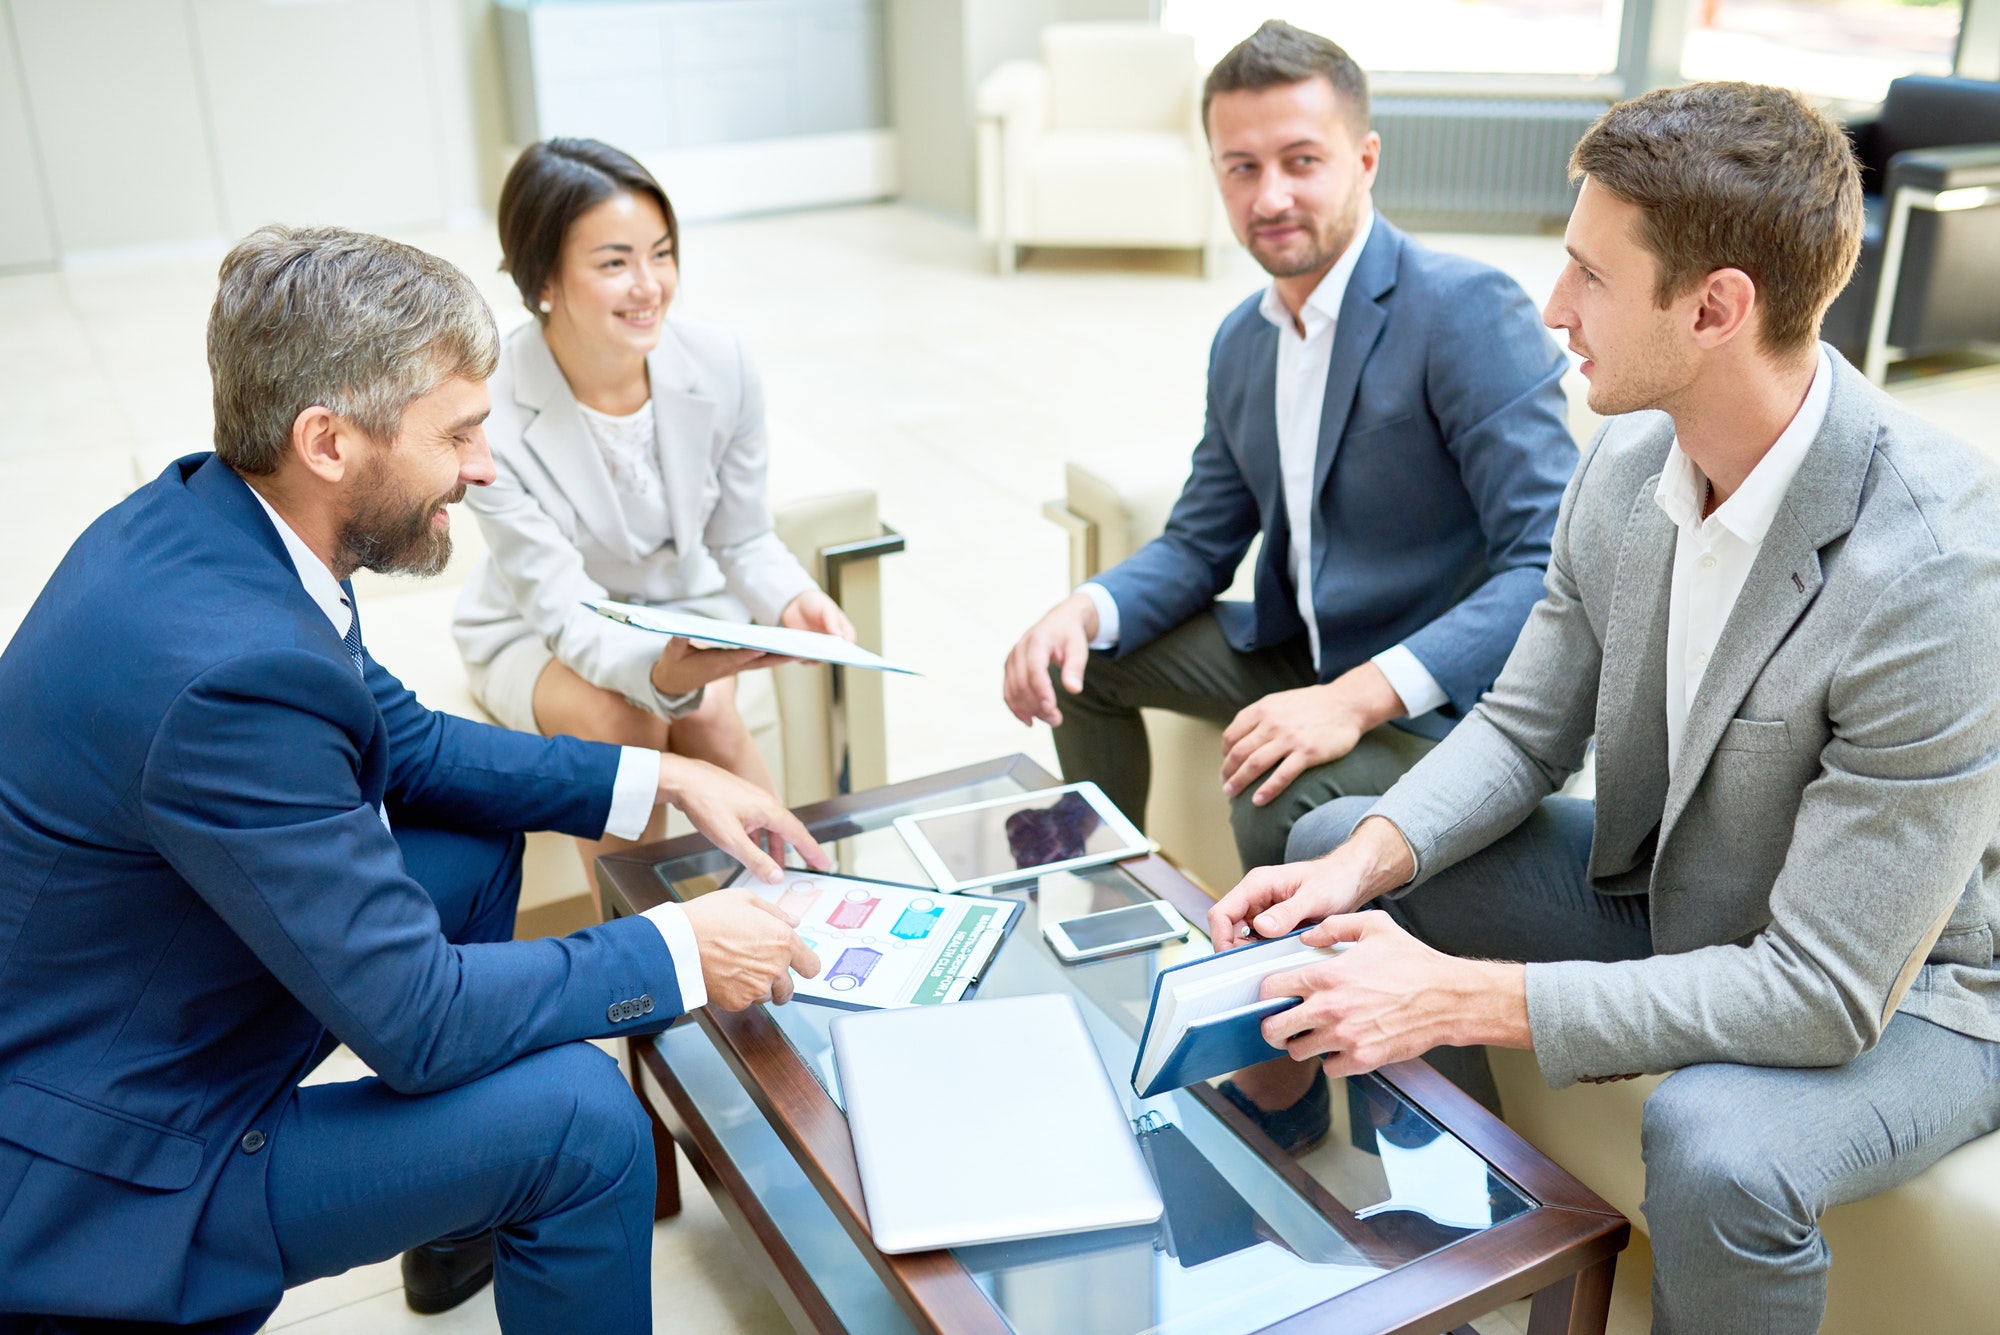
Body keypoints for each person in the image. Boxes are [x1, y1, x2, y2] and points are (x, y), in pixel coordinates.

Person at [1210, 83, 2000, 1334]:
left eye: (1587, 273)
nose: (1551, 309)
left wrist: (1460, 994)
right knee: (1333, 851)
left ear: (1714, 307)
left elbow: (1823, 989)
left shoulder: (1934, 569)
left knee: (1713, 1139)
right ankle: (1472, 1256)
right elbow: (1527, 729)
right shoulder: (1628, 464)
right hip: (1680, 883)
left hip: (1911, 988)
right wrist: (1362, 856)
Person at [0, 225, 830, 1334]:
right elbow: (420, 1019)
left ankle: (454, 1228)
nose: (483, 468)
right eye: (459, 434)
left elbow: (417, 748)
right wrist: (687, 948)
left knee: (468, 832)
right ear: (329, 442)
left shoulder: (220, 523)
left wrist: (663, 776)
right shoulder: (230, 676)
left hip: (157, 992)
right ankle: (504, 1174)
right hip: (108, 1163)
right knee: (583, 1119)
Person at [1001, 20, 1576, 871]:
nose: (1269, 197)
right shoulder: (1245, 339)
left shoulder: (1463, 311)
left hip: (1448, 697)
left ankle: (1270, 989)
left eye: (1301, 161)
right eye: (1243, 167)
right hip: (1300, 651)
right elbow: (1200, 543)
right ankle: (1114, 897)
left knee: (1279, 801)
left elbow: (1549, 563)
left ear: (1365, 159)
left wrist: (1353, 698)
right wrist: (1082, 608)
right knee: (1084, 665)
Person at [454, 137, 853, 871]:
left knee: (706, 711)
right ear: (544, 277)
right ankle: (649, 956)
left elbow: (741, 536)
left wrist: (793, 599)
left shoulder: (720, 362)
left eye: (661, 253)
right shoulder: (490, 411)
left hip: (679, 611)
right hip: (536, 629)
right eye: (614, 262)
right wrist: (665, 674)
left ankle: (809, 916)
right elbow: (563, 604)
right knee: (619, 720)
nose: (649, 285)